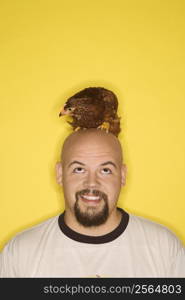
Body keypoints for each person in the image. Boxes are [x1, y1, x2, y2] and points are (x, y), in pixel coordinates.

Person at [0, 125, 185, 277]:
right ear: (59, 174)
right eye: (79, 169)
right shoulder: (21, 253)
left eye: (105, 170)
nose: (91, 183)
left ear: (122, 176)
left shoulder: (163, 248)